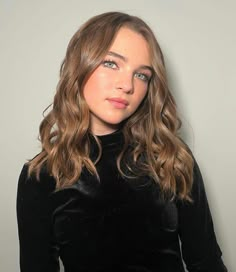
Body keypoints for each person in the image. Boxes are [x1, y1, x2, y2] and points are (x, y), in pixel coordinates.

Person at [17, 11, 228, 272]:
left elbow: (206, 262)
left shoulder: (170, 158)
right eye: (111, 63)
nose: (127, 85)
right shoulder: (41, 175)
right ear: (80, 65)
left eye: (141, 75)